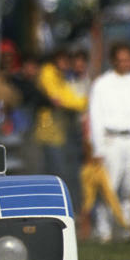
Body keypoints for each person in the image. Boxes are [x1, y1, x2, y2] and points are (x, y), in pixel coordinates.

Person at [88, 42, 130, 242]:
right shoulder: (102, 84)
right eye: (120, 60)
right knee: (109, 186)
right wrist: (97, 147)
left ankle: (128, 229)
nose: (124, 63)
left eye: (128, 59)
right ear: (113, 61)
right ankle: (104, 230)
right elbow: (95, 117)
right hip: (111, 140)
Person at [33, 47, 87, 210]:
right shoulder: (48, 73)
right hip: (48, 132)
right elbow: (60, 99)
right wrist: (83, 103)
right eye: (63, 60)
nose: (66, 64)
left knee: (62, 172)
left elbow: (68, 96)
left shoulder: (60, 76)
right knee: (54, 173)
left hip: (59, 132)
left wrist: (80, 102)